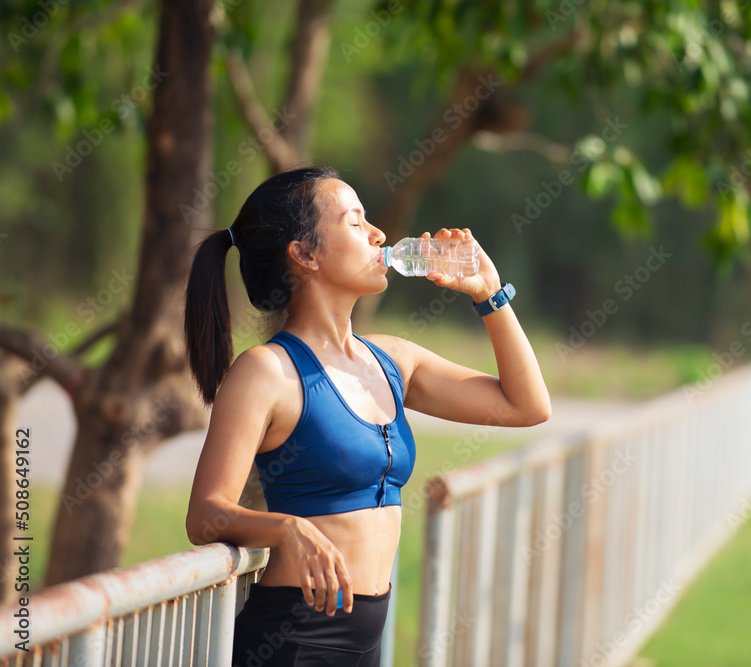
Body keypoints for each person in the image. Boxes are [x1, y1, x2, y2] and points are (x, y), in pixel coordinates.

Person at [182, 166, 551, 666]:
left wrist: (489, 292)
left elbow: (526, 406)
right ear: (305, 254)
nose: (380, 234)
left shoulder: (394, 360)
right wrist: (286, 528)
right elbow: (206, 516)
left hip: (368, 641)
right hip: (293, 641)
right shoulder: (266, 373)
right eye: (355, 222)